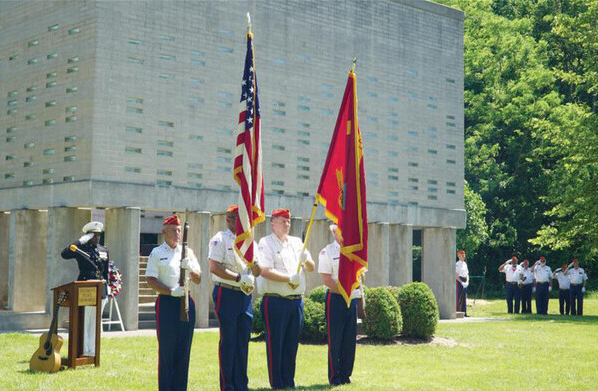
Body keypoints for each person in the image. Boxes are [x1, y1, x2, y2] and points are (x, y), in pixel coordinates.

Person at [257, 208, 315, 390]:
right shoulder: (266, 243)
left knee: (291, 344)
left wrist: (306, 260)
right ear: (272, 223)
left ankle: (289, 381)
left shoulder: (297, 242)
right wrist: (289, 278)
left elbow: (312, 268)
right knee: (276, 344)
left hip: (296, 300)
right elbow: (264, 271)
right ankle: (277, 383)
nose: (287, 224)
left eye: (289, 221)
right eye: (283, 221)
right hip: (275, 300)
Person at [208, 204, 261, 391]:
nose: (241, 223)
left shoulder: (250, 241)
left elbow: (258, 270)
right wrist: (238, 277)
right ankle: (227, 385)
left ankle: (241, 384)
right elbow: (214, 267)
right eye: (237, 219)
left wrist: (254, 265)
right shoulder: (220, 239)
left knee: (242, 341)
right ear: (228, 219)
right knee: (229, 340)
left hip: (245, 295)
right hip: (227, 292)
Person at [145, 214, 201, 391]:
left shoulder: (188, 252)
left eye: (179, 230)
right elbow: (150, 280)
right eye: (174, 230)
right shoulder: (157, 253)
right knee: (167, 351)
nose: (178, 233)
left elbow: (198, 279)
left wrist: (191, 269)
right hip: (167, 303)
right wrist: (170, 291)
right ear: (164, 232)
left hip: (185, 302)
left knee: (184, 350)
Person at [318, 224, 361, 386]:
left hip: (352, 299)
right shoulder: (327, 251)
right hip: (335, 299)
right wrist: (345, 292)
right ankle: (334, 376)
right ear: (334, 232)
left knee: (350, 339)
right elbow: (327, 279)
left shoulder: (354, 251)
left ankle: (346, 374)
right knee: (335, 339)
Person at [61, 221, 109, 356]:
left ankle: (93, 351)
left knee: (95, 322)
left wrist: (107, 287)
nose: (97, 238)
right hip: (85, 288)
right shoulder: (81, 248)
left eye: (98, 235)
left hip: (100, 289)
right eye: (94, 235)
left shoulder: (103, 250)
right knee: (85, 321)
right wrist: (79, 242)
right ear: (88, 236)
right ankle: (83, 349)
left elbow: (105, 271)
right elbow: (64, 254)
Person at [455, 250, 469, 317]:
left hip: (464, 280)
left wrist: (467, 281)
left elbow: (467, 274)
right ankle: (457, 311)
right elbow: (456, 275)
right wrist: (461, 282)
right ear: (459, 256)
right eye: (462, 255)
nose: (464, 256)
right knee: (458, 296)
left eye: (464, 255)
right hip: (459, 280)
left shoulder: (465, 264)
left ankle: (464, 312)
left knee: (464, 297)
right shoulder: (457, 264)